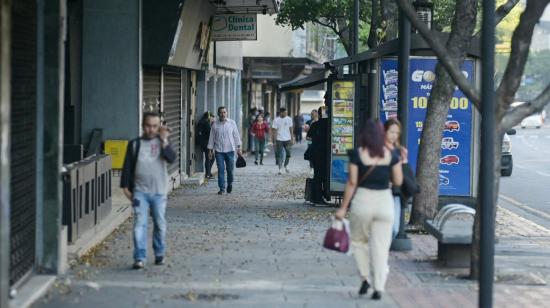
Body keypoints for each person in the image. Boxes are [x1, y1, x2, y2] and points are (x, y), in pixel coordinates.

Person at [335, 120, 403, 300]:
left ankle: (365, 277)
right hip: (384, 202)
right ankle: (379, 287)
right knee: (381, 248)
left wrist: (343, 208)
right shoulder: (391, 154)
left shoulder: (357, 154)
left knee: (358, 242)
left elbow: (352, 183)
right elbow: (398, 182)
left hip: (363, 201)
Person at [120, 112, 177, 270]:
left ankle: (159, 253)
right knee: (140, 224)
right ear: (142, 125)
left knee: (160, 223)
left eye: (154, 126)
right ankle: (139, 257)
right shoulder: (135, 144)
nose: (150, 129)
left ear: (159, 127)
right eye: (147, 125)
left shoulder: (163, 143)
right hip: (140, 192)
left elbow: (171, 158)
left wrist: (164, 140)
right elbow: (127, 167)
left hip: (159, 192)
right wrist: (126, 189)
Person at [207, 106, 242, 195]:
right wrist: (210, 151)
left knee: (230, 169)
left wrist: (238, 148)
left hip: (230, 150)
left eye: (224, 112)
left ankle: (230, 183)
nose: (223, 114)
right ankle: (222, 188)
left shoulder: (232, 123)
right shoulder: (215, 125)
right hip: (219, 151)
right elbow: (211, 138)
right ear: (218, 114)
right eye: (221, 112)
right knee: (221, 169)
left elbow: (236, 135)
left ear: (227, 113)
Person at [384, 118, 409, 239]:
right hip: (380, 193)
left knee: (394, 228)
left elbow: (404, 173)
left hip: (395, 192)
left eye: (397, 133)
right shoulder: (378, 150)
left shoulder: (400, 151)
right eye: (391, 132)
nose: (394, 135)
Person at [306, 106, 328, 203]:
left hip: (315, 154)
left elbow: (308, 137)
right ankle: (320, 197)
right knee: (322, 176)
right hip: (324, 154)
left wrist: (316, 140)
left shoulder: (315, 124)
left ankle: (317, 197)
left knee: (317, 175)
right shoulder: (328, 124)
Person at [272, 107, 294, 174]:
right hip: (279, 139)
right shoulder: (276, 120)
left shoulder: (289, 119)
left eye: (286, 112)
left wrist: (292, 139)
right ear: (281, 113)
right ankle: (280, 169)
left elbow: (291, 129)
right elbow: (274, 131)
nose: (286, 113)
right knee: (280, 155)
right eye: (284, 112)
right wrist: (274, 141)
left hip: (287, 139)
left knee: (288, 154)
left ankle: (286, 165)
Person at [197, 111, 214, 178]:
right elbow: (210, 133)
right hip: (207, 143)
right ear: (209, 117)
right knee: (210, 158)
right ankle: (208, 173)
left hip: (203, 143)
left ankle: (208, 172)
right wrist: (211, 124)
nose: (213, 119)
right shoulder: (206, 123)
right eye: (212, 117)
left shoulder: (202, 122)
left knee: (210, 158)